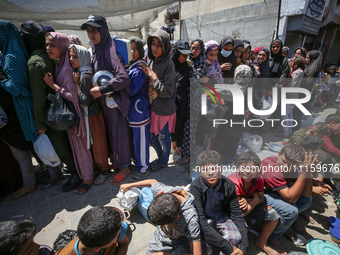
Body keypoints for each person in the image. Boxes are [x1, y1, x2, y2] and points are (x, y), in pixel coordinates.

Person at [20, 20, 82, 193]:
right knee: (66, 144)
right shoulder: (52, 56)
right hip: (62, 109)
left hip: (52, 113)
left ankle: (77, 175)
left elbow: (38, 97)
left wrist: (39, 123)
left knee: (61, 147)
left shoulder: (34, 62)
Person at [81, 14, 132, 184]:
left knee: (120, 135)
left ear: (103, 31)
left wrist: (102, 89)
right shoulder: (96, 50)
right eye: (88, 31)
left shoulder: (109, 50)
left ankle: (125, 167)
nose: (91, 34)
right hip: (105, 103)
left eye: (94, 30)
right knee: (112, 135)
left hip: (114, 103)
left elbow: (123, 78)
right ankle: (118, 164)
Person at [43, 32, 94, 194]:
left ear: (62, 46)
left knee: (81, 148)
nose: (48, 48)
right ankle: (84, 174)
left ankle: (88, 178)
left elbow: (73, 97)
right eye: (47, 45)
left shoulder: (66, 68)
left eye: (53, 45)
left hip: (75, 117)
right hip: (71, 116)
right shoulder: (61, 63)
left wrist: (54, 86)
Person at [120, 179, 202, 255]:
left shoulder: (190, 220)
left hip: (178, 243)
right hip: (160, 238)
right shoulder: (164, 191)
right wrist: (129, 185)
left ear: (176, 218)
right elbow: (152, 181)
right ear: (160, 194)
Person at [190, 150, 248, 255]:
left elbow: (236, 213)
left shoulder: (228, 185)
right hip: (204, 218)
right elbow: (201, 221)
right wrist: (230, 248)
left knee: (236, 238)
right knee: (204, 248)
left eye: (214, 168)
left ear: (221, 169)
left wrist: (243, 247)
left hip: (220, 215)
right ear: (199, 171)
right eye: (205, 169)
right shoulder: (195, 187)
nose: (210, 173)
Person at [69, 44, 110, 185]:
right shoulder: (84, 71)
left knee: (99, 145)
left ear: (83, 57)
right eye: (70, 56)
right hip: (92, 115)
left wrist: (76, 85)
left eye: (75, 56)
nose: (71, 59)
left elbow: (85, 101)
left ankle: (104, 171)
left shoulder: (85, 76)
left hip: (93, 116)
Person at [229, 151, 286, 255]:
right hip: (233, 212)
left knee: (274, 216)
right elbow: (241, 213)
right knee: (241, 236)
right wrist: (255, 198)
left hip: (249, 206)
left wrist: (251, 201)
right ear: (238, 167)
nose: (248, 171)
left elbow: (262, 199)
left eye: (253, 169)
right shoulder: (234, 183)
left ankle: (262, 242)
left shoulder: (258, 179)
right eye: (244, 167)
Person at [261, 144, 315, 244]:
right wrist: (303, 173)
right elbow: (291, 199)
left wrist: (307, 172)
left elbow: (307, 195)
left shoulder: (294, 168)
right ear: (278, 154)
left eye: (291, 165)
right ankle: (273, 235)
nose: (286, 167)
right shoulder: (271, 167)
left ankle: (287, 223)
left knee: (307, 201)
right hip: (261, 195)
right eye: (284, 161)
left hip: (277, 193)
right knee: (291, 211)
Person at [138, 30, 176, 171]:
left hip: (164, 110)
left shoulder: (168, 64)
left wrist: (152, 75)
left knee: (164, 139)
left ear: (165, 47)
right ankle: (161, 157)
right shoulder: (153, 61)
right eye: (153, 44)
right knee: (153, 138)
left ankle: (164, 162)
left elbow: (167, 91)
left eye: (159, 45)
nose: (155, 48)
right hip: (154, 109)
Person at [56, 206, 129, 255]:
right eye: (117, 236)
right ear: (98, 248)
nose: (121, 232)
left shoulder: (109, 232)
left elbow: (124, 243)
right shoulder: (67, 253)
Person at [126, 36, 150, 181]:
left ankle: (144, 168)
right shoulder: (132, 65)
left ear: (141, 50)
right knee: (137, 140)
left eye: (135, 49)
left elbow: (133, 90)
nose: (133, 52)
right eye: (130, 49)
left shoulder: (140, 68)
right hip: (135, 111)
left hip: (139, 110)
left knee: (141, 140)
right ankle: (140, 163)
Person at [171, 40, 192, 165]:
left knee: (179, 125)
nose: (185, 57)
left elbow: (179, 85)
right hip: (169, 102)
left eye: (186, 55)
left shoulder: (186, 68)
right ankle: (174, 146)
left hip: (180, 103)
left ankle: (178, 149)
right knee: (171, 126)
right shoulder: (169, 65)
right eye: (182, 54)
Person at [281, 56, 305, 138]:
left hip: (289, 96)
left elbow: (292, 85)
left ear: (296, 64)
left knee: (285, 115)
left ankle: (285, 133)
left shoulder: (297, 73)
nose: (290, 63)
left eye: (292, 62)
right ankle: (289, 132)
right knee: (289, 115)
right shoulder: (300, 72)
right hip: (294, 97)